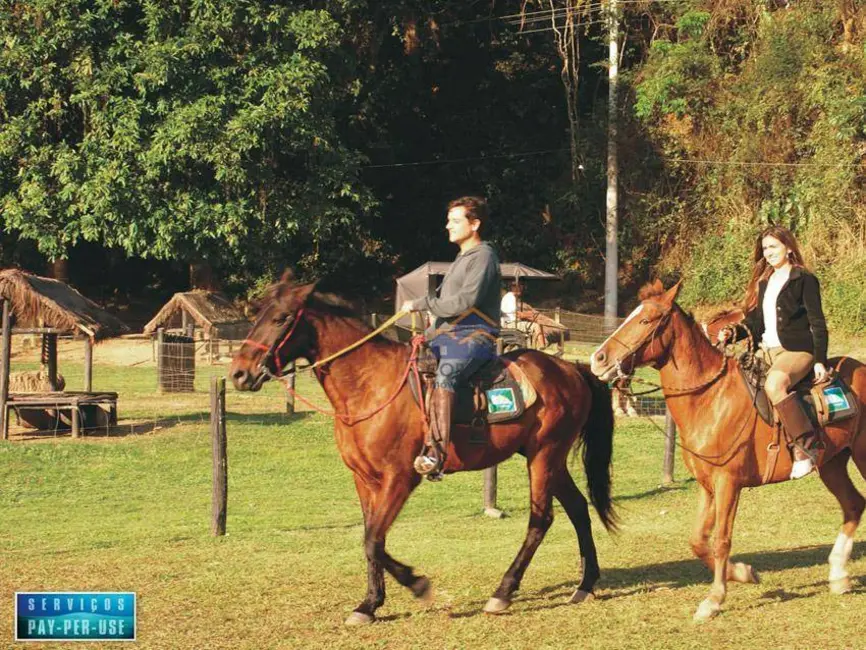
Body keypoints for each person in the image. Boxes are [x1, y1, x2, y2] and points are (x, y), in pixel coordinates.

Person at [401, 196, 502, 480]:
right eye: (449, 220)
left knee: (446, 373)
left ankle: (437, 454)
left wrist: (425, 304)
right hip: (449, 335)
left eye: (455, 221)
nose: (448, 226)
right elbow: (445, 298)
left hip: (476, 336)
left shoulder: (483, 256)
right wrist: (421, 306)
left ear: (475, 224)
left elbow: (464, 302)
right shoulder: (463, 257)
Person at [719, 225, 828, 479]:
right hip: (765, 350)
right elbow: (758, 321)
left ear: (788, 248)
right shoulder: (765, 282)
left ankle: (806, 447)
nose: (768, 252)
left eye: (773, 246)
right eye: (765, 248)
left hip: (797, 351)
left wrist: (820, 360)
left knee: (775, 383)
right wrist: (735, 331)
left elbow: (818, 323)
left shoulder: (805, 279)